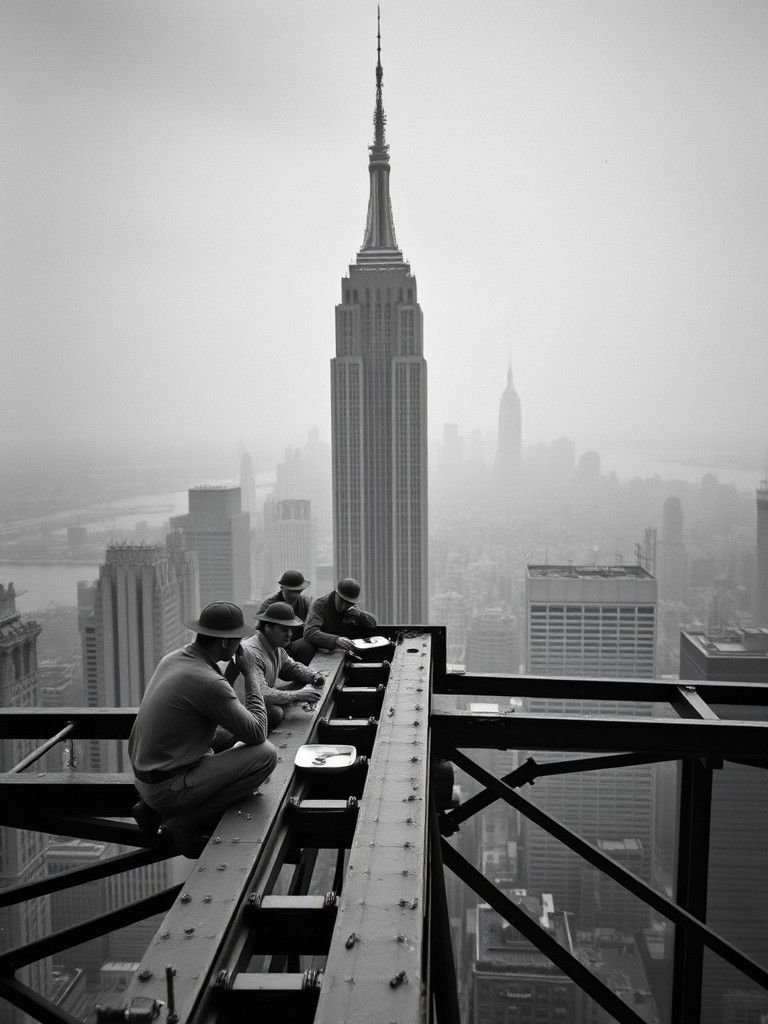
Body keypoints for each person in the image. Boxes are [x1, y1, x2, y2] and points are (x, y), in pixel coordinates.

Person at [128, 601, 277, 858]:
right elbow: (257, 732)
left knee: (230, 732)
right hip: (169, 786)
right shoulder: (207, 682)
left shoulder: (174, 659)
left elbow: (214, 707)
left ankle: (150, 808)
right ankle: (186, 821)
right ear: (223, 643)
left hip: (145, 777)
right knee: (266, 755)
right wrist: (251, 673)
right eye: (236, 640)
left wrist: (229, 674)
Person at [235, 602, 325, 730]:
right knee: (275, 713)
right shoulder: (251, 652)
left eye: (290, 629)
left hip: (259, 700)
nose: (289, 634)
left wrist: (314, 676)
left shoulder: (276, 647)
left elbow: (292, 668)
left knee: (301, 684)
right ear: (267, 628)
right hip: (242, 709)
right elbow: (261, 694)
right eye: (284, 629)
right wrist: (297, 695)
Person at [289, 578, 377, 665]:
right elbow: (310, 633)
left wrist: (357, 614)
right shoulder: (319, 605)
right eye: (342, 600)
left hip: (338, 652)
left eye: (348, 603)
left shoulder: (352, 610)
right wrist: (336, 640)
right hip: (317, 648)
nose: (344, 606)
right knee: (304, 646)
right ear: (336, 594)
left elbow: (373, 623)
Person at [256, 569, 311, 656]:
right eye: (290, 591)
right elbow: (260, 634)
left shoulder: (305, 602)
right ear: (282, 588)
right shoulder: (268, 606)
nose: (295, 595)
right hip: (275, 650)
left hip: (296, 647)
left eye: (298, 591)